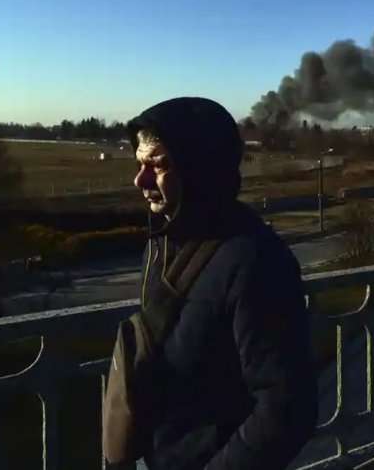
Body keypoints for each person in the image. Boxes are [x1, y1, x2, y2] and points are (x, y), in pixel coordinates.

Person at [126, 97, 318, 469]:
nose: (141, 180)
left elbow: (286, 408)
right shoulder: (162, 244)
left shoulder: (257, 261)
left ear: (200, 169)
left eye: (158, 164)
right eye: (139, 164)